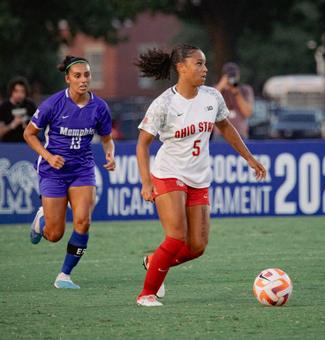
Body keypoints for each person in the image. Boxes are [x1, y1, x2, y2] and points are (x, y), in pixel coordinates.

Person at [134, 44, 266, 307]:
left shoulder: (212, 97)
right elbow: (142, 144)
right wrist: (146, 182)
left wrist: (249, 158)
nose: (205, 69)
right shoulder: (164, 104)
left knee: (197, 247)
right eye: (198, 64)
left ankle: (154, 261)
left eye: (205, 64)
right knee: (175, 237)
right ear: (181, 68)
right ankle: (146, 294)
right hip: (168, 173)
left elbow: (226, 127)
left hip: (199, 177)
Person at [23, 55, 116, 289]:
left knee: (83, 222)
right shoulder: (52, 104)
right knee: (54, 234)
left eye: (87, 75)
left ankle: (64, 275)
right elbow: (29, 134)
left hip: (82, 170)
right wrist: (48, 156)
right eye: (77, 76)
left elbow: (107, 139)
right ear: (68, 79)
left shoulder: (100, 107)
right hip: (53, 171)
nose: (83, 80)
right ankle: (42, 219)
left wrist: (109, 153)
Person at [213, 62, 254, 139]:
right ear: (223, 76)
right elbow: (209, 105)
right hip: (220, 135)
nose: (231, 79)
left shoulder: (245, 90)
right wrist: (221, 85)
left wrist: (237, 93)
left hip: (241, 134)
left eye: (233, 76)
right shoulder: (216, 90)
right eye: (228, 76)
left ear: (238, 76)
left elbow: (247, 113)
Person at [0, 76, 37, 142]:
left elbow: (39, 129)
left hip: (27, 145)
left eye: (22, 92)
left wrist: (28, 127)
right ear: (11, 91)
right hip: (7, 146)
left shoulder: (30, 105)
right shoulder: (4, 107)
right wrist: (11, 125)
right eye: (16, 91)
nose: (19, 94)